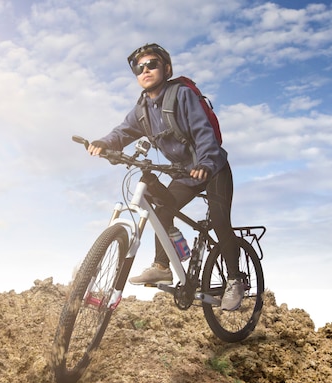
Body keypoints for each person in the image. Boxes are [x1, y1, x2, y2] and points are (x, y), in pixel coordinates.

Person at [88, 43, 243, 311]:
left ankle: (234, 279)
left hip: (213, 167)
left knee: (219, 221)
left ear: (166, 69)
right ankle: (162, 266)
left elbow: (203, 131)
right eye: (140, 67)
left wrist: (205, 162)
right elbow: (123, 132)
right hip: (184, 172)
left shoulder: (182, 95)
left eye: (152, 64)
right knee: (161, 207)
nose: (145, 69)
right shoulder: (143, 110)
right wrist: (104, 143)